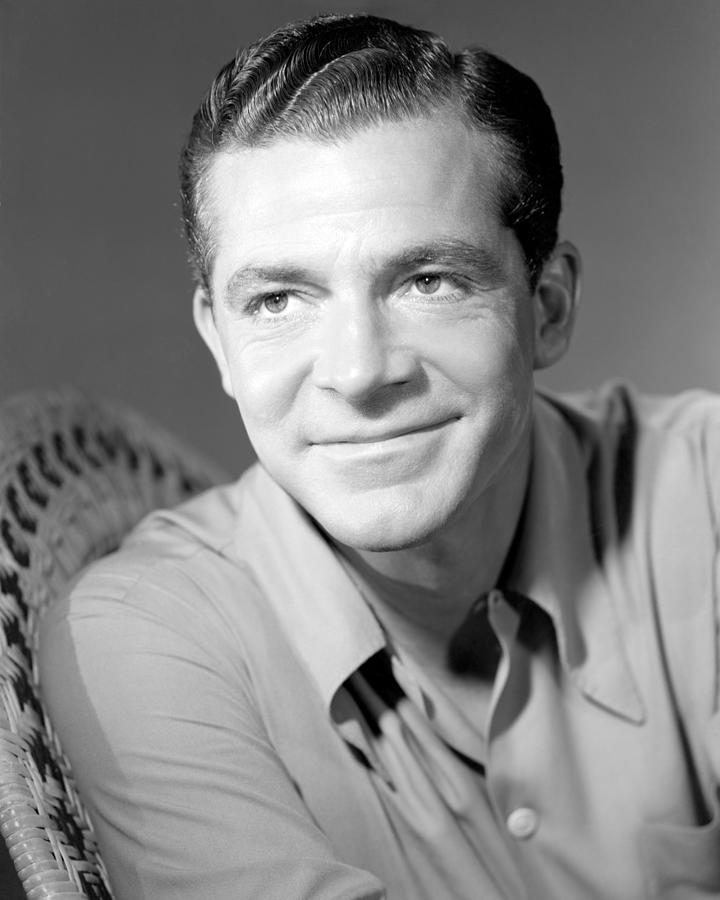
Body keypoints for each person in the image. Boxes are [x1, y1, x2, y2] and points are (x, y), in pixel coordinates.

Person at [38, 13, 720, 900]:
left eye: (428, 281)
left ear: (546, 307)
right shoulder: (145, 644)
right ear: (218, 341)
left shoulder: (702, 492)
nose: (359, 374)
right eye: (279, 299)